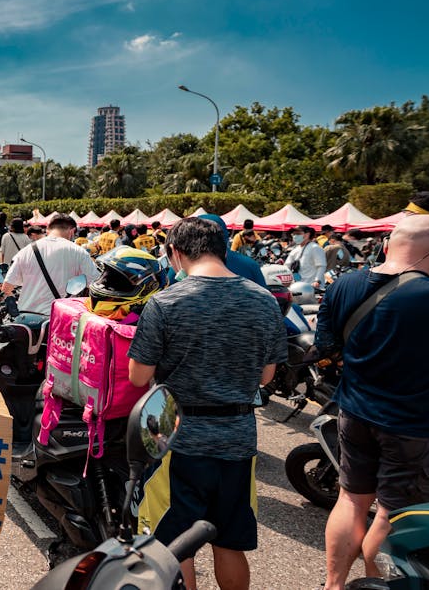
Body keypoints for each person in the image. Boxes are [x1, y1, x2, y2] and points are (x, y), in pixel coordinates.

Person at [129, 217, 287, 590]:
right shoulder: (263, 300)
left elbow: (138, 375)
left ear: (177, 253)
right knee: (229, 542)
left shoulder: (166, 302)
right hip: (238, 438)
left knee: (175, 545)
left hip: (178, 440)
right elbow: (265, 377)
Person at [316, 215, 429, 590]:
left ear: (388, 244)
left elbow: (327, 347)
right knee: (393, 512)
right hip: (411, 422)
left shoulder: (343, 284)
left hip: (354, 408)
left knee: (350, 500)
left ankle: (334, 585)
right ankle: (377, 586)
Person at [0, 214, 99, 315]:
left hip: (27, 317)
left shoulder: (26, 251)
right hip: (61, 318)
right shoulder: (79, 252)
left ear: (47, 229)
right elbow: (95, 286)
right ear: (72, 231)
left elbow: (6, 287)